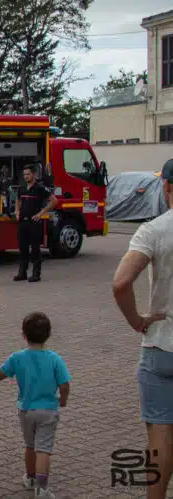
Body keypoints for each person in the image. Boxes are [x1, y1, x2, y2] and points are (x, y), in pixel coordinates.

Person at [112, 157, 173, 499]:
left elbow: (121, 283)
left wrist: (137, 321)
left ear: (166, 187)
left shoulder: (153, 230)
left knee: (160, 434)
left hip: (161, 345)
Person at [0, 312, 70, 498]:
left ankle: (30, 477)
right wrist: (63, 399)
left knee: (30, 446)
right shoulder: (55, 359)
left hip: (26, 410)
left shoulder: (17, 358)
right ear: (49, 334)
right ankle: (42, 487)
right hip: (48, 410)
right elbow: (64, 384)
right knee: (44, 449)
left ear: (23, 335)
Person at [15, 164, 58, 282]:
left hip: (34, 222)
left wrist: (40, 214)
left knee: (35, 249)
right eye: (24, 174)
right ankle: (22, 273)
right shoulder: (22, 188)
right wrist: (17, 212)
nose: (26, 176)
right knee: (22, 248)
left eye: (28, 174)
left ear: (34, 174)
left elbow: (54, 201)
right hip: (22, 222)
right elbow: (17, 200)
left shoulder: (40, 188)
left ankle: (36, 274)